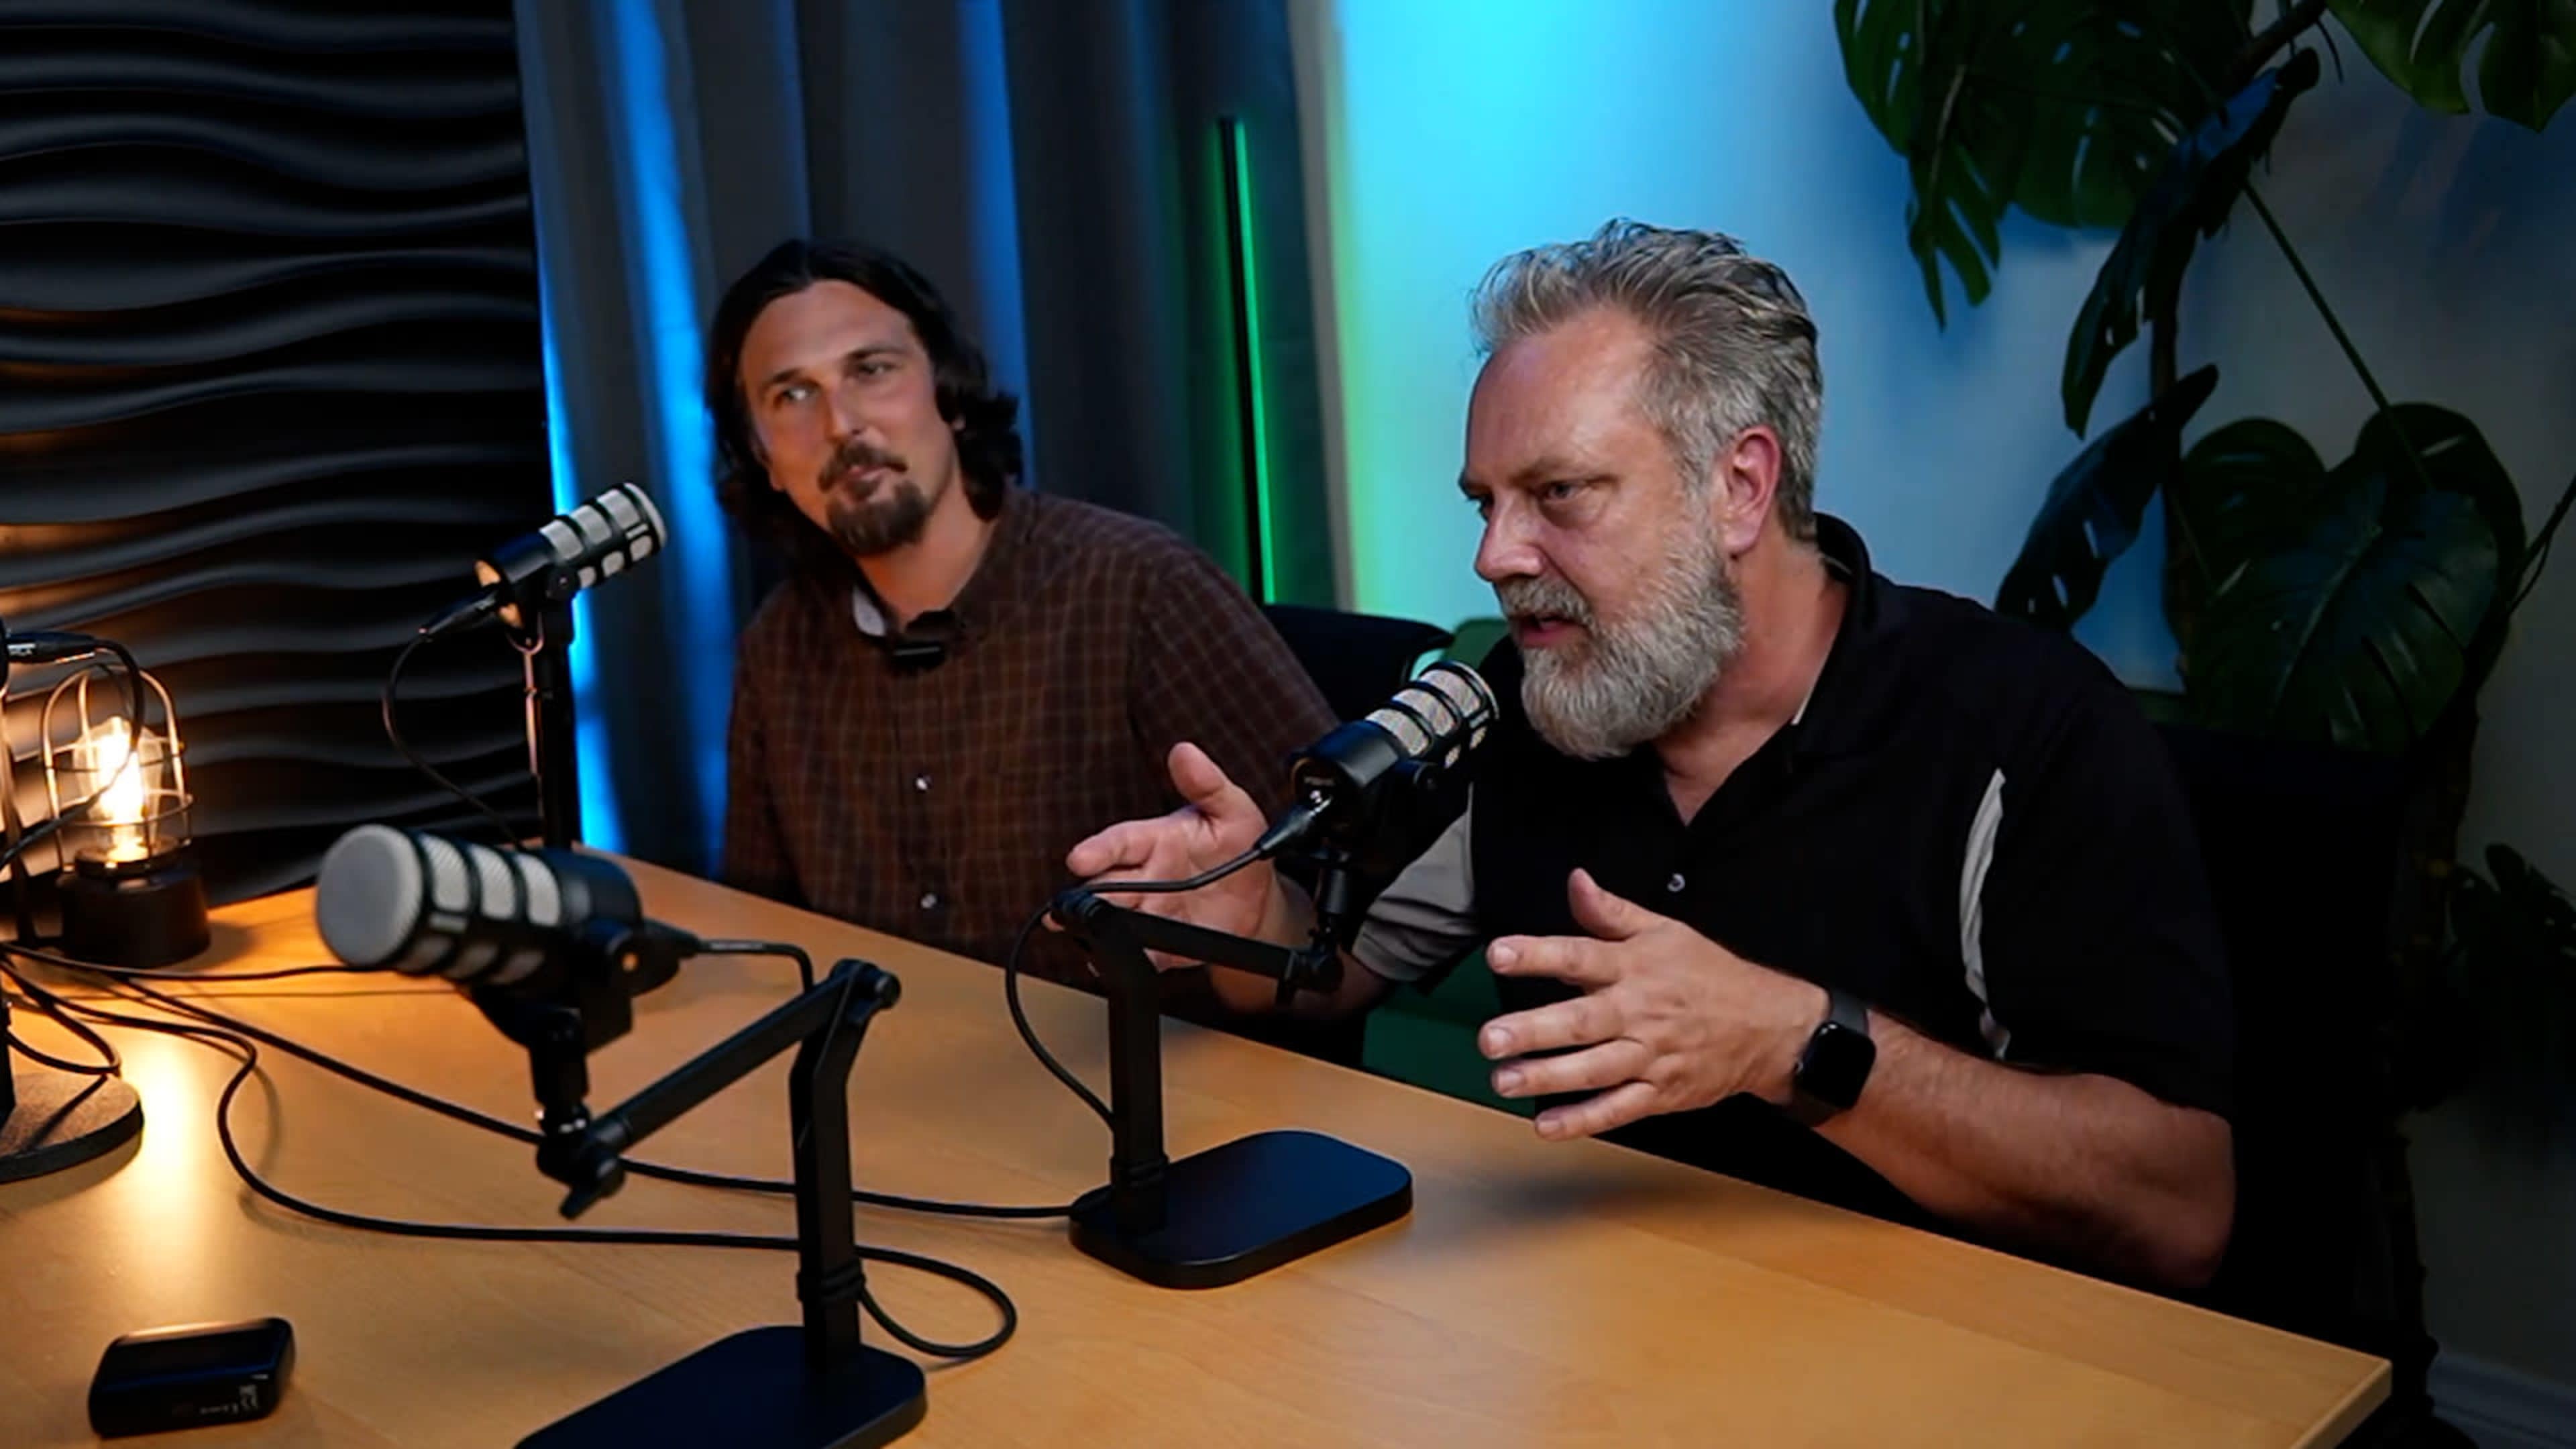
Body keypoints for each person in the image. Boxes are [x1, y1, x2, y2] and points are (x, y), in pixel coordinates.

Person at [1066, 221, 2237, 1291]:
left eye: (1559, 494)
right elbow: (1335, 975)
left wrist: (1794, 1042)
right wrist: (1248, 923)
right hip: (1606, 1345)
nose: (1495, 556)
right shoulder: (1519, 708)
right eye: (1485, 503)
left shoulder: (2023, 733)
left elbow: (2179, 1209)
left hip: (1960, 1362)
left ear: (1739, 488)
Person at [710, 237, 1336, 987]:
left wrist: (1263, 920)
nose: (841, 424)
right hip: (895, 1057)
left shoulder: (1138, 584)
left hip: (1147, 1058)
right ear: (764, 460)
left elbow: (1344, 899)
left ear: (949, 394)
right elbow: (764, 938)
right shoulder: (778, 647)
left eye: (871, 370)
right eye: (792, 395)